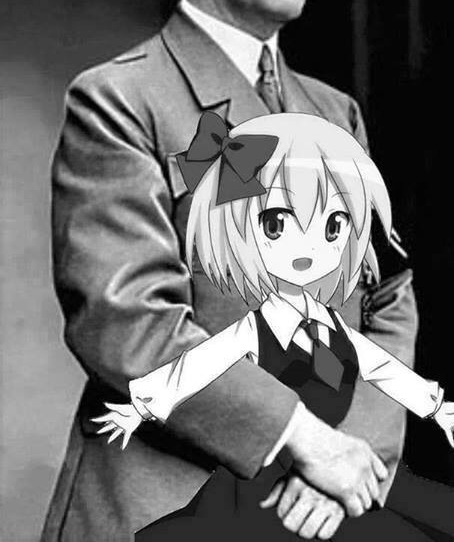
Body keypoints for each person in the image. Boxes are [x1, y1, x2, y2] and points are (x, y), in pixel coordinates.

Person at [41, 0, 418, 542]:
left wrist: (357, 454)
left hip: (322, 508)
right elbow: (127, 320)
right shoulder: (121, 99)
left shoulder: (334, 113)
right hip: (165, 502)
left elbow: (385, 296)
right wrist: (304, 438)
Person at [95, 111, 454, 541]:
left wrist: (429, 409)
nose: (307, 247)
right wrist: (141, 406)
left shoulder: (339, 110)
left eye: (333, 226)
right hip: (248, 482)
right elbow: (188, 358)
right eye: (276, 225)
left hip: (341, 484)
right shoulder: (255, 329)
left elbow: (384, 342)